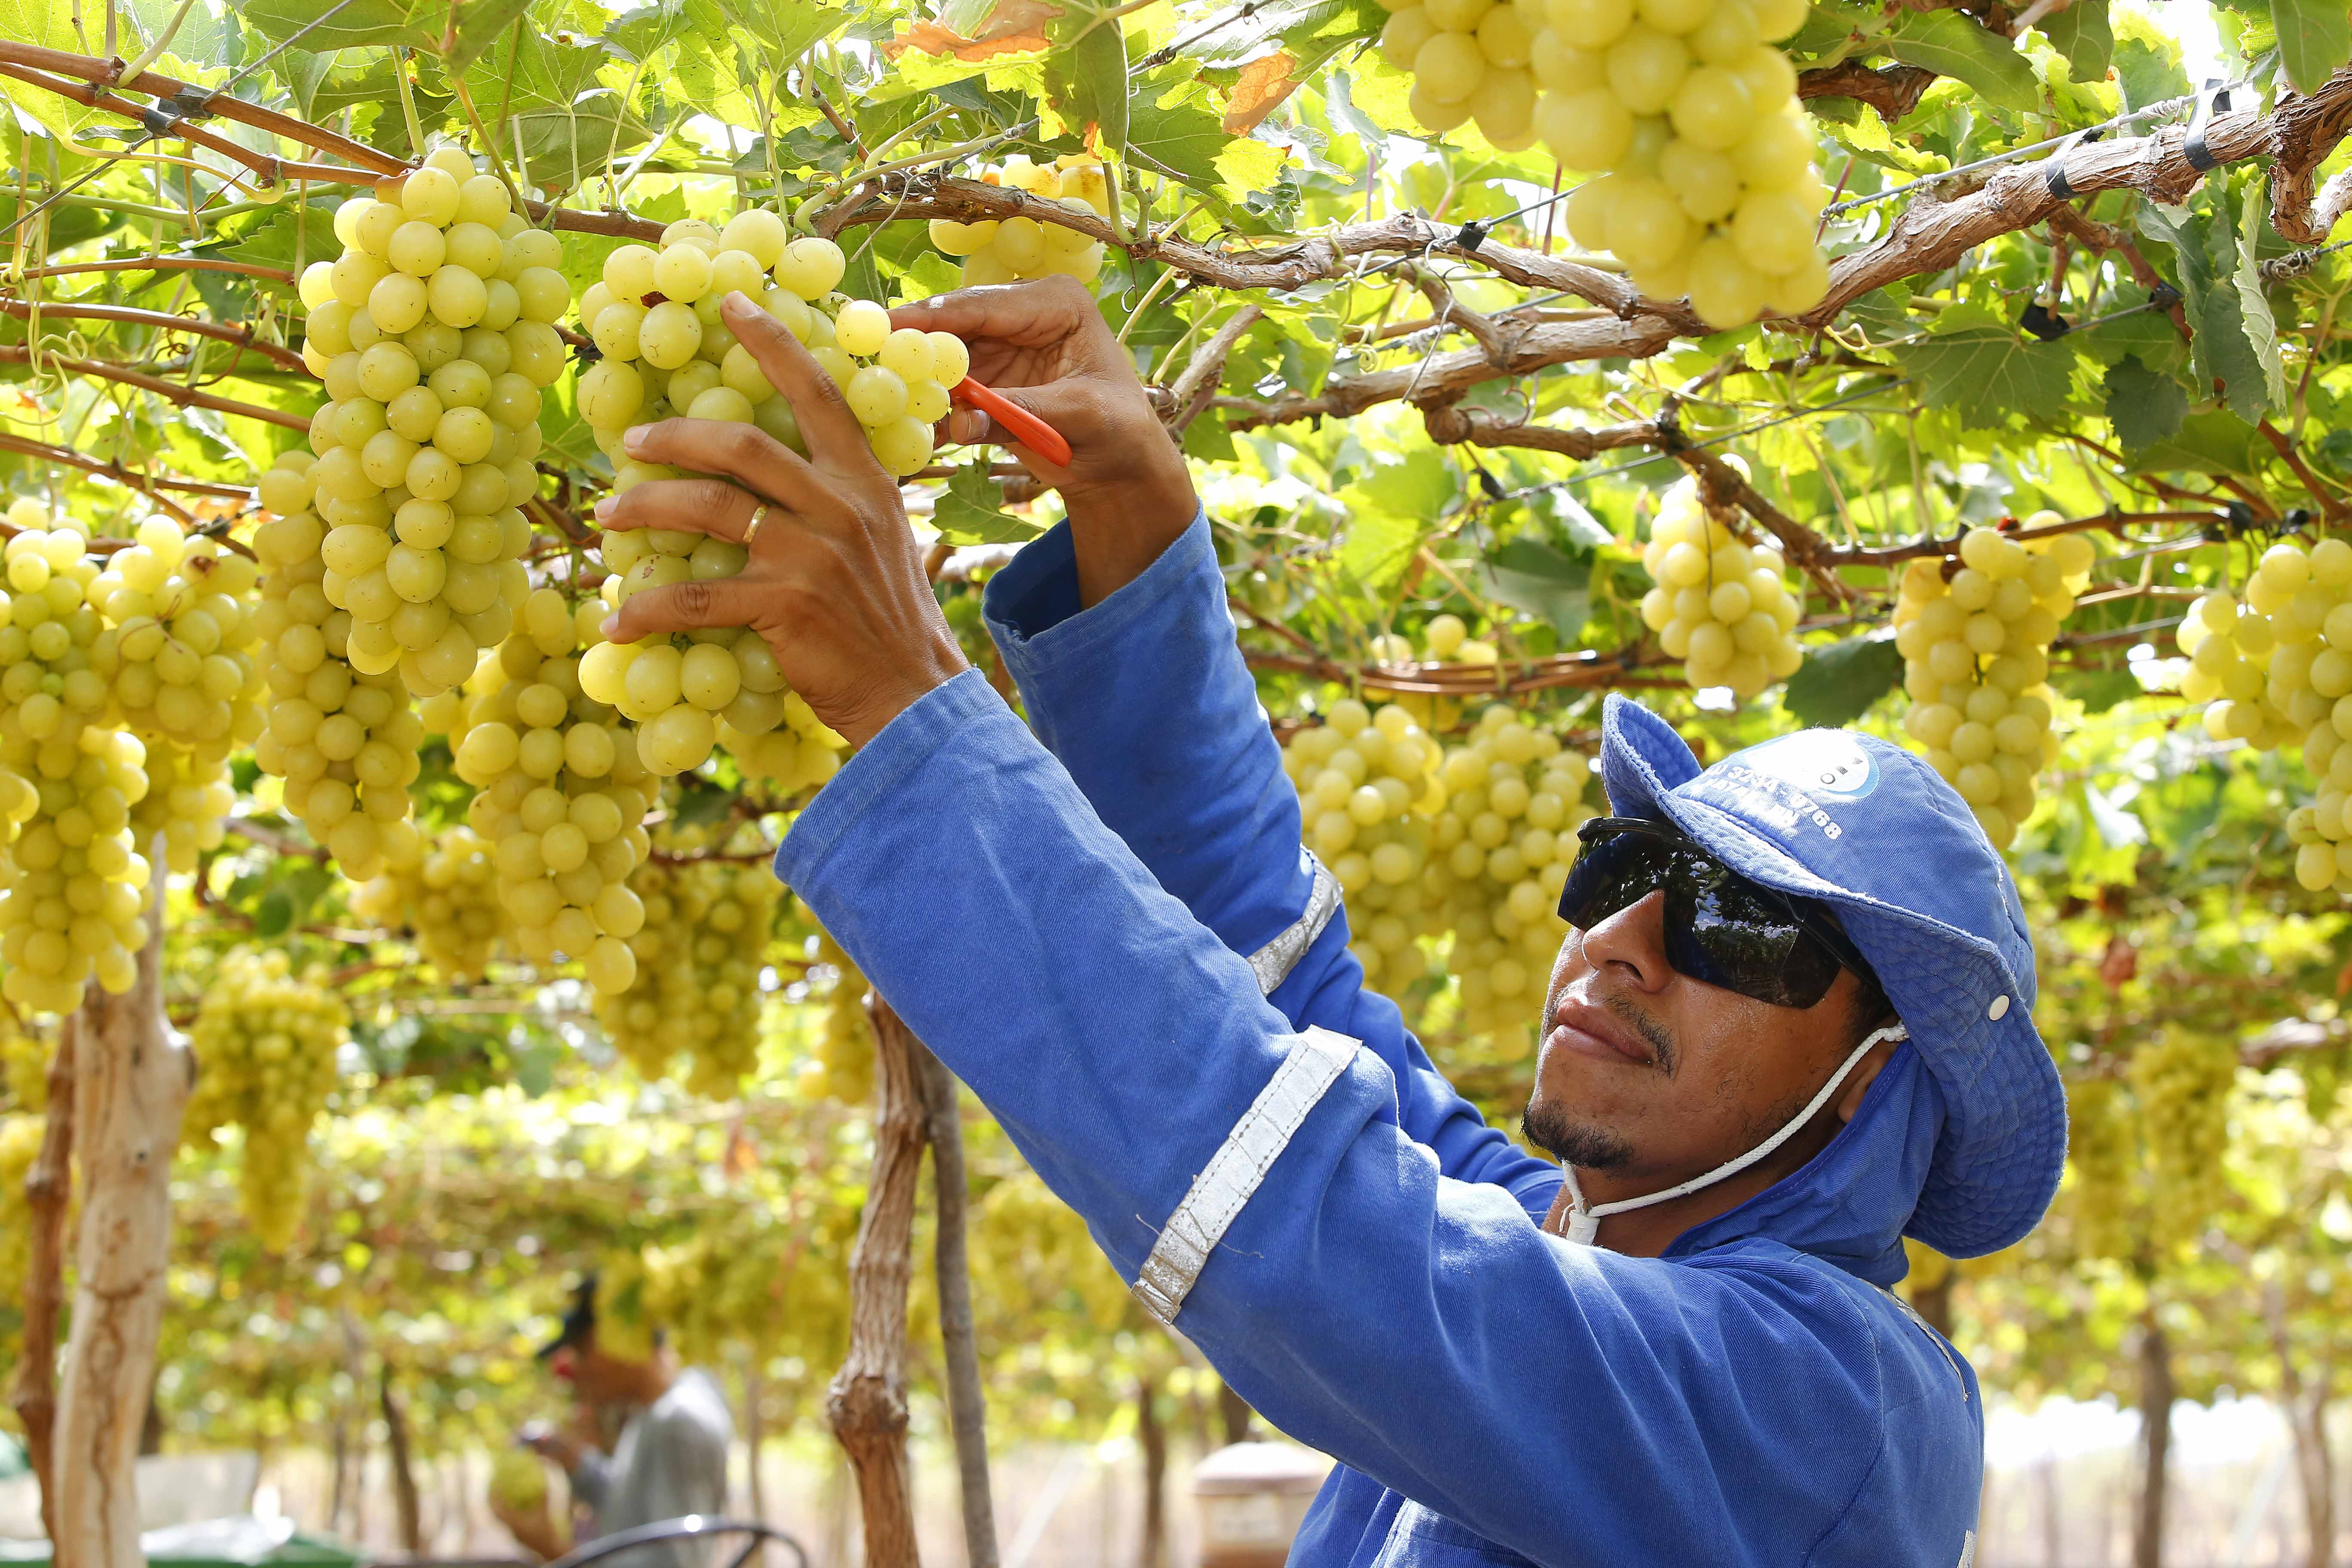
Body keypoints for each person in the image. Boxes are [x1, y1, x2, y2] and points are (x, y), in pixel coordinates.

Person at [592, 277, 2067, 1566]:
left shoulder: (1841, 1412)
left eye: (1738, 926)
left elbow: (1327, 1239)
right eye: (1623, 865)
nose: (1622, 937)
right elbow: (1276, 980)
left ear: (1871, 1075)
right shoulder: (1575, 1242)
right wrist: (1136, 522)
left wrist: (917, 696)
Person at [493, 1274, 734, 1568]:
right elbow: (630, 1506)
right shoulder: (654, 1414)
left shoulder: (677, 1423)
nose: (576, 1371)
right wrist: (574, 1459)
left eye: (581, 1352)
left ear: (617, 1340)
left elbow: (670, 1563)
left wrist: (557, 1552)